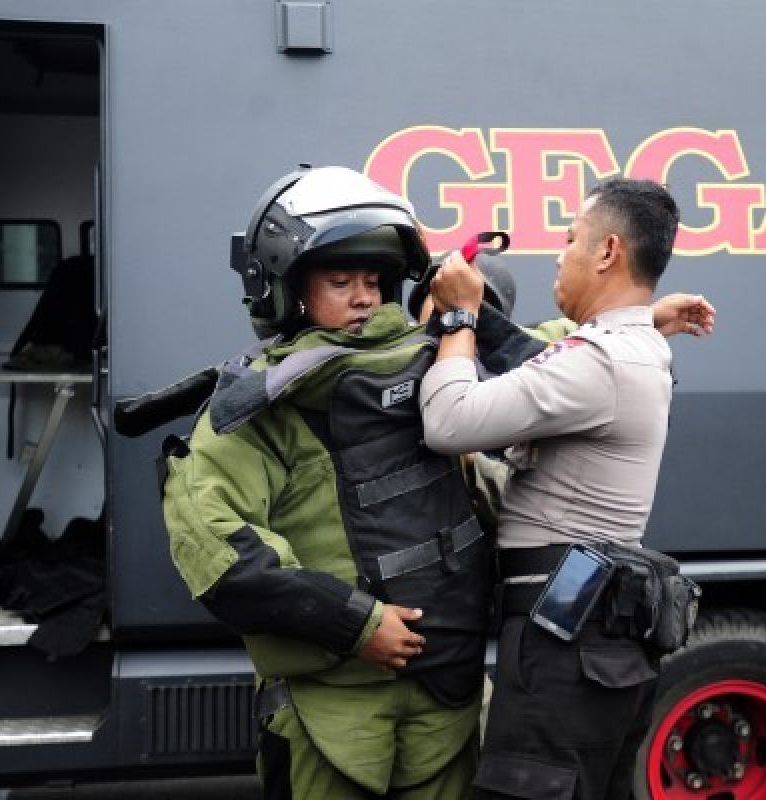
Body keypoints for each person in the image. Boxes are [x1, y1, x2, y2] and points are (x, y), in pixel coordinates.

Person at [161, 166, 712, 799]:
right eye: (340, 282)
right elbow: (218, 552)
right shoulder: (265, 408)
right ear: (286, 290)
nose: (365, 297)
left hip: (446, 701)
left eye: (373, 280)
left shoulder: (439, 355)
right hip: (334, 714)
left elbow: (559, 355)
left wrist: (640, 316)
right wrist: (356, 624)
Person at [420, 178, 702, 800]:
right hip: (592, 633)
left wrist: (460, 318)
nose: (559, 253)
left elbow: (449, 422)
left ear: (606, 252)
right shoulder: (628, 350)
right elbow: (533, 365)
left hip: (562, 645)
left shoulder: (600, 360)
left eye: (570, 238)